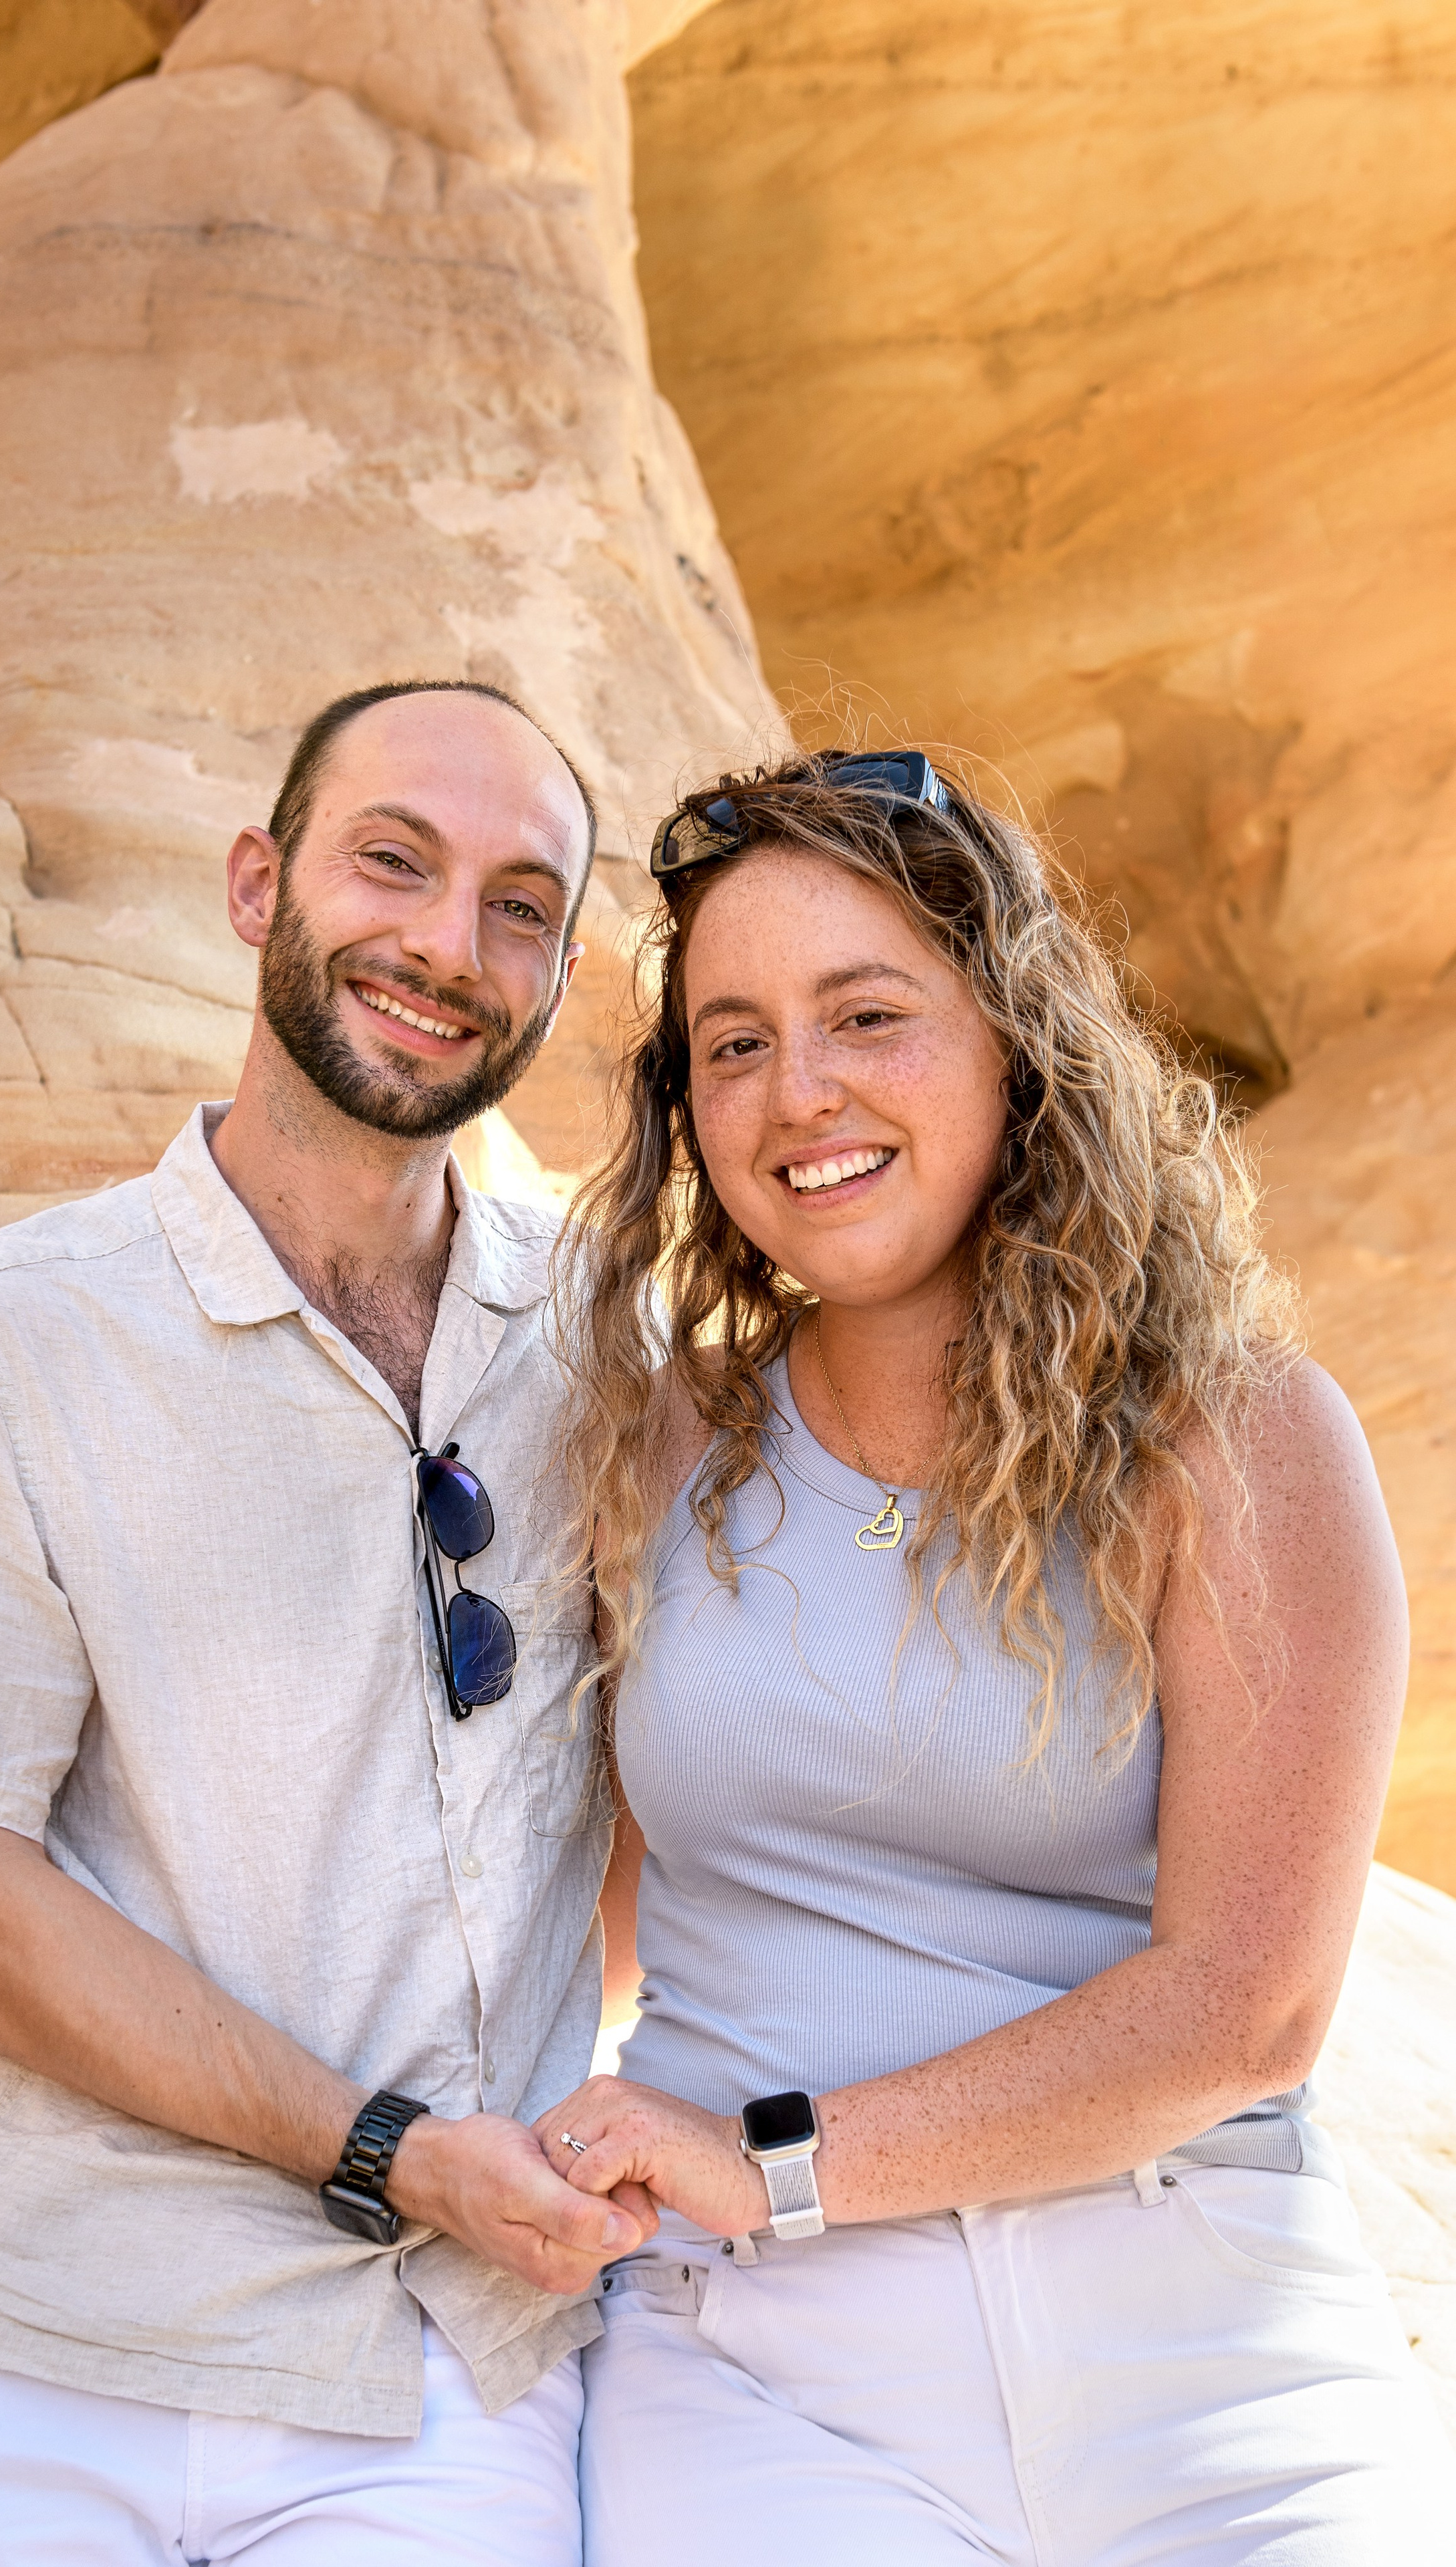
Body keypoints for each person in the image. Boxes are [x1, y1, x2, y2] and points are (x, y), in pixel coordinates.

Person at [0, 679, 658, 2566]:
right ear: (259, 885)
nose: (446, 944)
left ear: (565, 977)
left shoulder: (613, 1348)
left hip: (439, 2368)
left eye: (519, 905)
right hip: (32, 2340)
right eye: (392, 865)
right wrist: (385, 2148)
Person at [536, 749, 1455, 2561]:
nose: (798, 1093)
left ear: (1013, 1037)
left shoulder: (1238, 1438)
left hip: (1205, 2339)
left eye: (866, 1014)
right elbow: (569, 1899)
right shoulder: (650, 1445)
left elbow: (1249, 2007)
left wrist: (778, 2165)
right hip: (762, 2370)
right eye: (731, 1042)